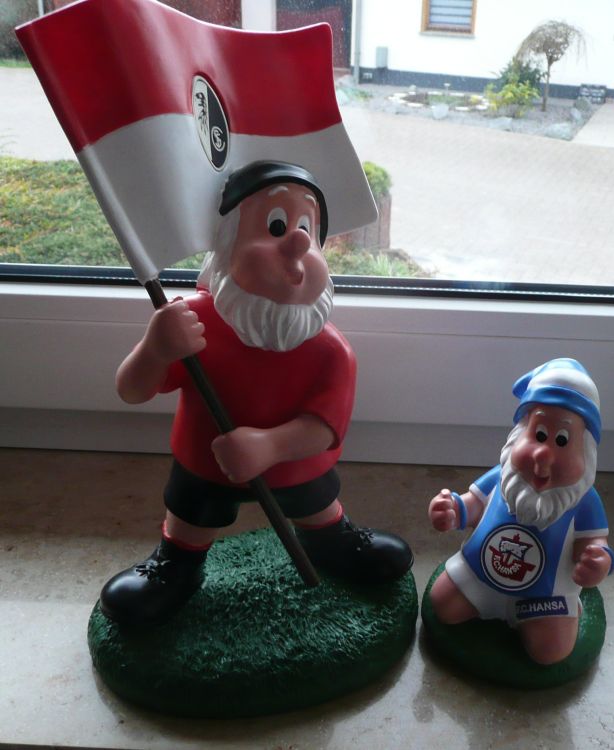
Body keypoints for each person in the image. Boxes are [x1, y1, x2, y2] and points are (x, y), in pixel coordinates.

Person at [100, 160, 413, 625]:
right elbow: (131, 389)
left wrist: (269, 445)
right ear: (227, 246)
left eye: (307, 228)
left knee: (316, 504)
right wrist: (155, 349)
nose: (298, 243)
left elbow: (324, 428)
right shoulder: (191, 324)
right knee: (190, 513)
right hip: (205, 463)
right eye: (276, 226)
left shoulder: (330, 350)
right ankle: (177, 564)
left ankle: (331, 540)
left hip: (295, 467)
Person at [428, 358, 614, 665]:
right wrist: (452, 510)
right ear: (520, 432)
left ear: (586, 450)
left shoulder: (584, 501)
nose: (543, 454)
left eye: (562, 440)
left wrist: (596, 561)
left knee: (551, 650)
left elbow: (593, 543)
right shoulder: (502, 477)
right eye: (539, 435)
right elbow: (472, 505)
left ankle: (547, 618)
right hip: (480, 573)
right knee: (443, 603)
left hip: (544, 597)